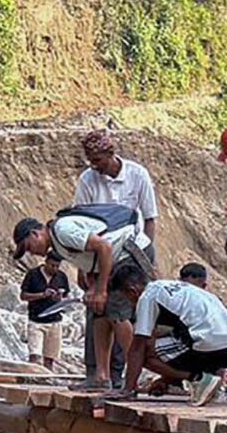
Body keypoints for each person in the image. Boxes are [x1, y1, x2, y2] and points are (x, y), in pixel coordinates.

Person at [14, 202, 153, 387]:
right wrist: (93, 287)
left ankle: (136, 372)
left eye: (28, 246)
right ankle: (101, 378)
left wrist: (101, 290)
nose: (31, 252)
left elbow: (104, 247)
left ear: (35, 233)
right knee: (98, 312)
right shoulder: (57, 246)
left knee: (115, 308)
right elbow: (90, 260)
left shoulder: (62, 230)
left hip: (129, 252)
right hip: (115, 257)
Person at [116, 261, 227, 405]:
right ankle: (211, 387)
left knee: (146, 351)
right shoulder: (180, 289)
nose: (130, 303)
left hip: (211, 345)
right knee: (186, 342)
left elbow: (138, 347)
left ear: (132, 291)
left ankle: (199, 379)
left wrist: (128, 390)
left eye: (127, 298)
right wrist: (166, 380)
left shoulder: (148, 296)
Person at [73, 130, 161, 259]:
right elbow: (81, 223)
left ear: (110, 154)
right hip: (101, 250)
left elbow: (149, 218)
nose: (94, 166)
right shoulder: (87, 180)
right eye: (90, 161)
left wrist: (145, 254)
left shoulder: (138, 174)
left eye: (97, 160)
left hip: (133, 248)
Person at [18, 224, 72, 371]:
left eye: (57, 266)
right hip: (36, 320)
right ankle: (34, 380)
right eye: (52, 265)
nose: (54, 269)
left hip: (55, 321)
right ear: (46, 261)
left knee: (50, 359)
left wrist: (60, 298)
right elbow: (23, 296)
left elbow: (67, 297)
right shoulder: (33, 274)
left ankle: (46, 381)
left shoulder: (61, 277)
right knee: (34, 356)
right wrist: (42, 295)